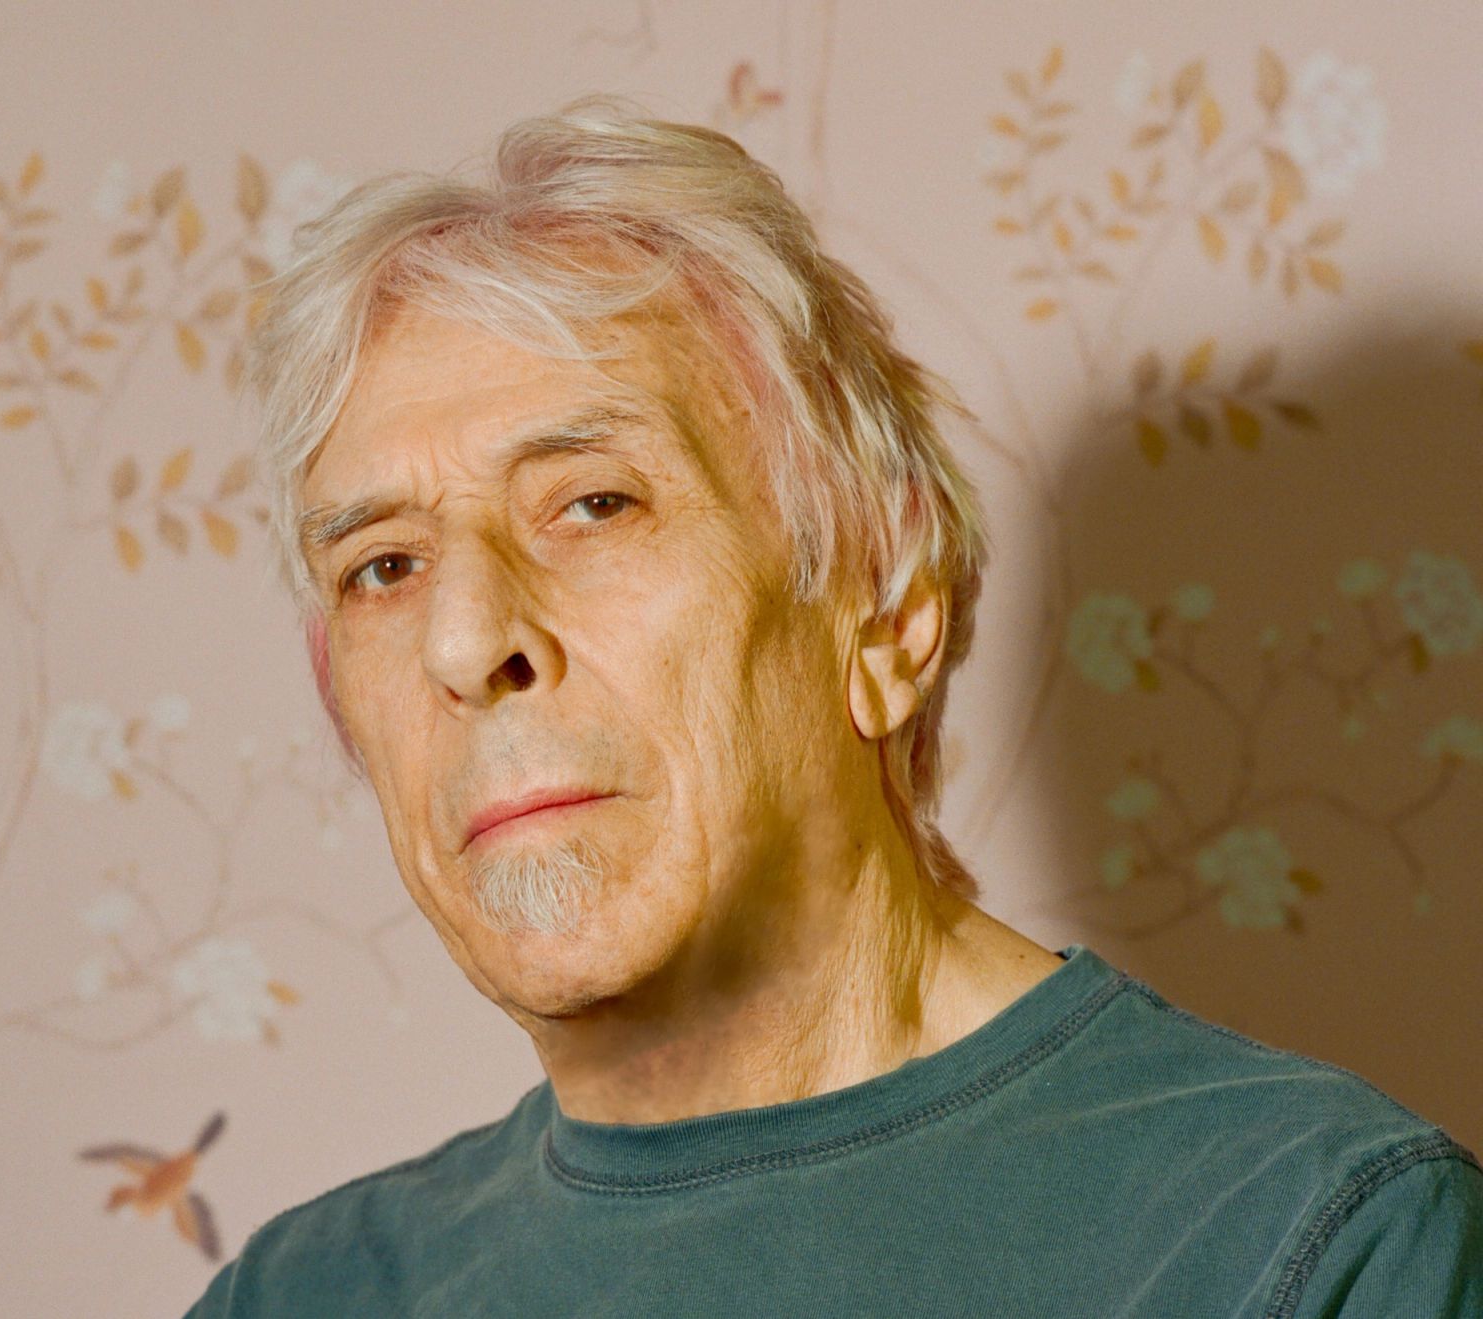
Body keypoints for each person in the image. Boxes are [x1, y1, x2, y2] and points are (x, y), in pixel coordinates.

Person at [184, 104, 1482, 1317]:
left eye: (593, 503)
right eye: (383, 568)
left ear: (887, 606)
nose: (466, 643)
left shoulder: (1320, 1242)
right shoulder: (299, 1296)